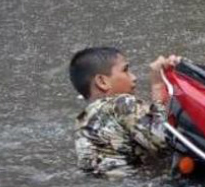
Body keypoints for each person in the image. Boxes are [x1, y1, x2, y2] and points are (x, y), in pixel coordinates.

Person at [69, 47, 181, 176]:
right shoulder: (121, 103)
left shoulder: (83, 120)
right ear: (102, 81)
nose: (134, 78)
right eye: (125, 70)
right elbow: (166, 142)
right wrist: (158, 87)